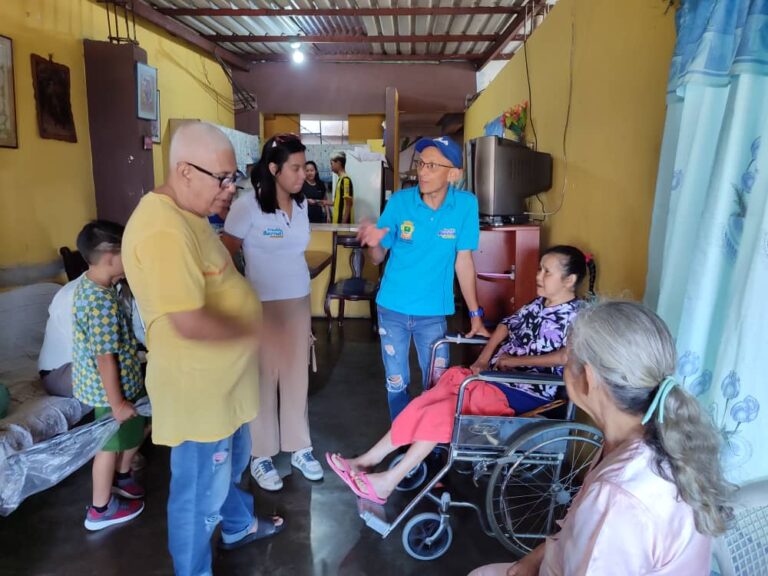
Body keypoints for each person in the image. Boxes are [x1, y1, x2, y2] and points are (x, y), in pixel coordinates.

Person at [122, 122, 283, 576]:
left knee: (225, 473)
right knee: (198, 494)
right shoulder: (161, 230)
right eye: (224, 179)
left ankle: (238, 525)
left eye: (236, 177)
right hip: (199, 392)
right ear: (185, 171)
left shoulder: (188, 213)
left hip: (223, 385)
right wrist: (262, 334)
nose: (232, 189)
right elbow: (189, 321)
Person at [469, 301, 734, 576]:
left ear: (587, 377)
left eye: (567, 359)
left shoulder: (618, 497)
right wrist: (533, 560)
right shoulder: (641, 439)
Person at [328, 246, 594, 503]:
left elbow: (566, 357)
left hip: (527, 391)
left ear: (569, 280)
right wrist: (482, 359)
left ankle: (387, 483)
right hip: (497, 379)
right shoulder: (538, 304)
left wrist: (514, 361)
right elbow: (504, 327)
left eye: (547, 272)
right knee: (432, 396)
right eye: (540, 269)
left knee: (445, 410)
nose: (538, 276)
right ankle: (366, 461)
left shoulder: (578, 315)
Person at [356, 136, 490, 422]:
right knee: (396, 382)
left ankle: (428, 447)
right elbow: (377, 258)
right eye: (420, 164)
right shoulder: (401, 202)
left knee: (437, 385)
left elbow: (463, 262)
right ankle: (403, 445)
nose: (423, 171)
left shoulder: (465, 205)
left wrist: (475, 314)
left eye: (432, 165)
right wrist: (373, 241)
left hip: (433, 314)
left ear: (453, 173)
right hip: (391, 308)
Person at [222, 133, 323, 492]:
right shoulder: (247, 206)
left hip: (298, 301)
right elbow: (225, 252)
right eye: (294, 168)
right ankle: (261, 454)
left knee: (297, 375)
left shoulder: (302, 206)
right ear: (273, 168)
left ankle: (299, 447)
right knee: (263, 379)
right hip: (260, 304)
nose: (302, 174)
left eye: (302, 166)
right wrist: (237, 294)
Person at [71, 220, 146, 531]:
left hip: (124, 385)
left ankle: (124, 476)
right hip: (108, 392)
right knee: (107, 447)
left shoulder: (98, 286)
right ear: (111, 258)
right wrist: (116, 404)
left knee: (132, 430)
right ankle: (100, 509)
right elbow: (105, 359)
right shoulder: (100, 302)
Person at [330, 150, 353, 224]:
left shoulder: (345, 180)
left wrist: (343, 224)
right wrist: (325, 202)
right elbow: (339, 202)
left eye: (332, 163)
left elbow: (348, 204)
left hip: (342, 225)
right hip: (338, 223)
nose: (331, 166)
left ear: (339, 163)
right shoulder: (340, 180)